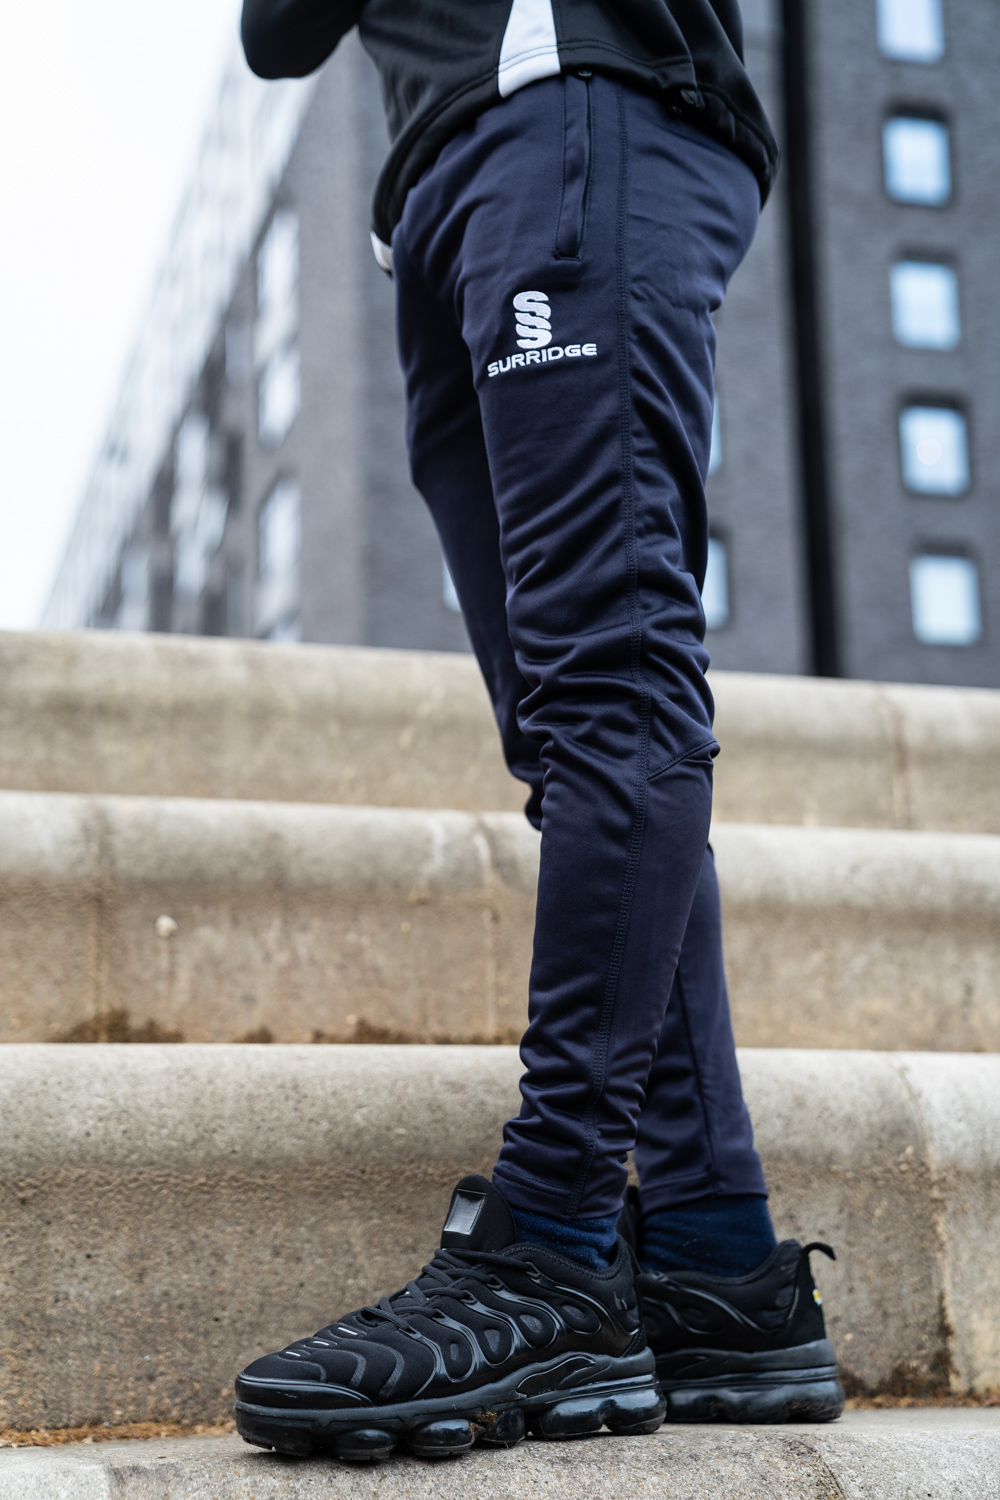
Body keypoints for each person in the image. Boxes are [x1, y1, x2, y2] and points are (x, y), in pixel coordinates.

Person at [234, 0, 843, 1462]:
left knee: (613, 689)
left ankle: (555, 1240)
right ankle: (712, 1261)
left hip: (573, 102)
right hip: (446, 181)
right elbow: (277, 31)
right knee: (577, 737)